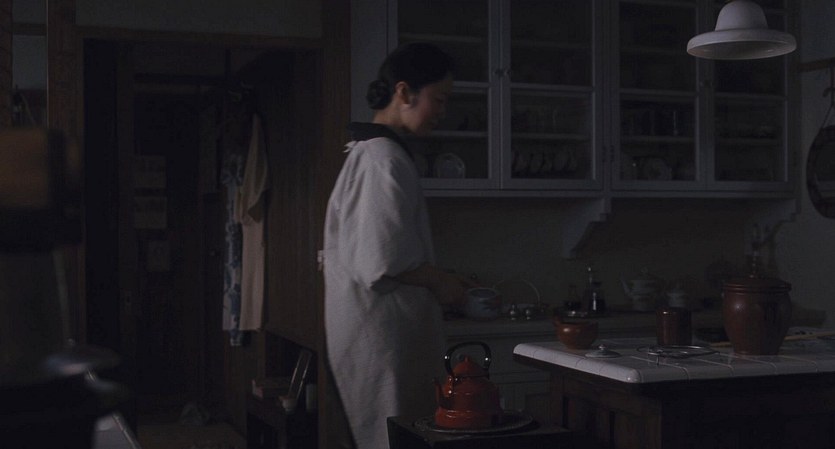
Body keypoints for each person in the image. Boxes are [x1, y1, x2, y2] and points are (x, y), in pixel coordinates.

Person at [323, 42, 476, 449]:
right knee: (394, 437)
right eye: (438, 99)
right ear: (404, 92)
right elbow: (383, 258)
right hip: (383, 336)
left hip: (376, 330)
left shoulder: (373, 153)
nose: (443, 111)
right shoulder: (383, 160)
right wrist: (442, 282)